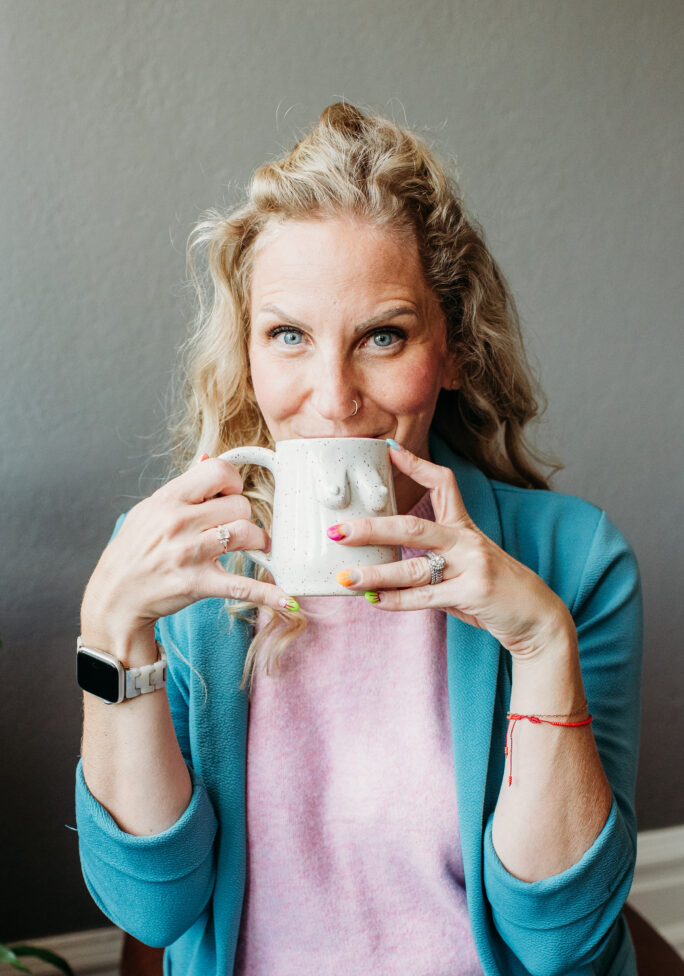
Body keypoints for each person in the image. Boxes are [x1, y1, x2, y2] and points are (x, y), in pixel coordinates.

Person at [75, 102, 642, 976]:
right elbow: (152, 908)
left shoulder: (571, 562)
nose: (333, 398)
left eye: (383, 335)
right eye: (290, 336)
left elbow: (560, 940)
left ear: (453, 349)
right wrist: (111, 638)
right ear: (249, 353)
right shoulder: (178, 568)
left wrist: (540, 645)